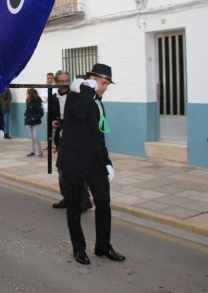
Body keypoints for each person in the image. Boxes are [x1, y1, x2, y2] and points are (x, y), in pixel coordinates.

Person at [59, 63, 125, 266]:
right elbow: (79, 112)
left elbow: (99, 135)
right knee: (75, 207)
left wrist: (107, 162)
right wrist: (87, 88)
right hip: (74, 161)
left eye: (107, 84)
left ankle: (103, 246)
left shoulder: (97, 101)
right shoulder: (75, 96)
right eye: (102, 83)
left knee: (103, 202)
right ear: (92, 79)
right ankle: (79, 249)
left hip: (94, 162)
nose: (104, 87)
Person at [50, 70, 93, 212]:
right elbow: (51, 115)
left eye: (67, 80)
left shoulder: (75, 95)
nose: (65, 83)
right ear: (56, 82)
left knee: (77, 169)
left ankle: (84, 201)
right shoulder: (53, 97)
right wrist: (53, 122)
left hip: (75, 138)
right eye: (62, 81)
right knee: (62, 169)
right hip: (61, 137)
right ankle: (67, 198)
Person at [24, 88, 43, 157]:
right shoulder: (27, 100)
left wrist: (34, 118)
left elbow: (41, 113)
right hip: (29, 120)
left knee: (36, 136)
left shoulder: (37, 101)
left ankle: (40, 151)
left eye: (28, 93)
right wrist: (26, 115)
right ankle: (32, 151)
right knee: (31, 136)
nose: (27, 95)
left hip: (36, 121)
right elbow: (28, 109)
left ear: (32, 94)